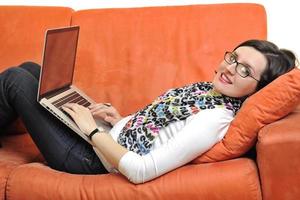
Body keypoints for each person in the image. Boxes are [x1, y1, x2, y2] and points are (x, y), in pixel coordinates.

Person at [0, 39, 296, 184]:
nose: (230, 68)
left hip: (90, 160)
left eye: (244, 70)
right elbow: (157, 128)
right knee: (32, 70)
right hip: (106, 138)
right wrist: (119, 120)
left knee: (15, 80)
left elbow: (142, 171)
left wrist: (90, 130)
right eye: (233, 58)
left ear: (258, 88)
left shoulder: (214, 118)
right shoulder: (206, 91)